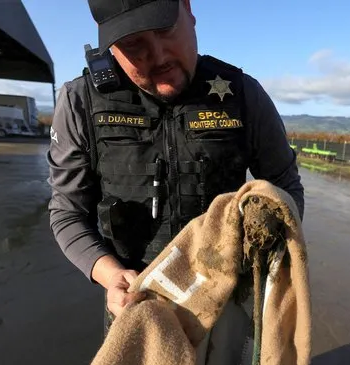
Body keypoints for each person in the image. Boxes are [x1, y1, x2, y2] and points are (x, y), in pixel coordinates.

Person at [46, 0, 305, 333]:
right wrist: (110, 275)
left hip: (225, 300)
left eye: (165, 29)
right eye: (133, 43)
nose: (158, 55)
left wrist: (263, 239)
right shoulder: (80, 102)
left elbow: (287, 187)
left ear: (188, 8)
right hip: (136, 306)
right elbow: (67, 213)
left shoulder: (242, 94)